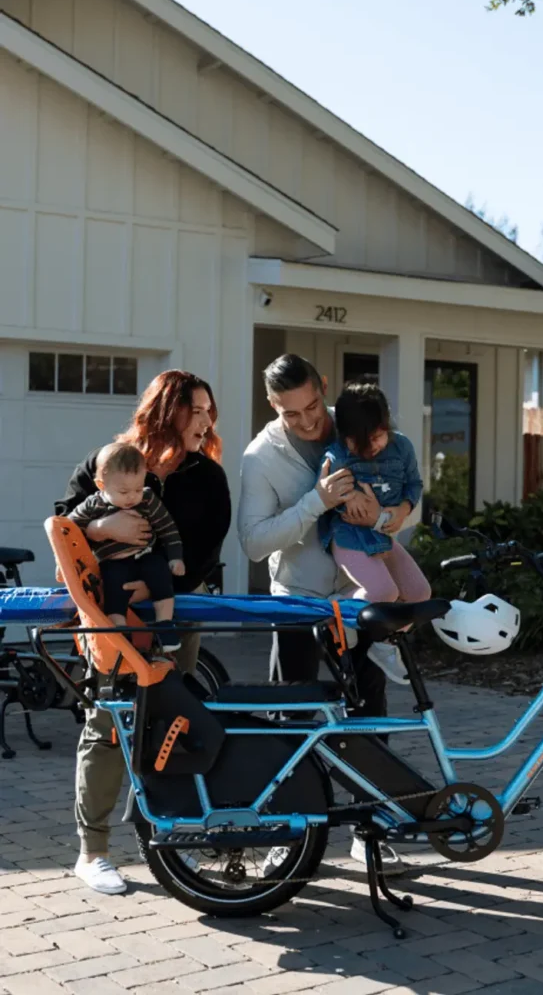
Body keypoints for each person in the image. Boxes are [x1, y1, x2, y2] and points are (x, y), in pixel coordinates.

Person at [55, 370, 231, 895]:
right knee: (108, 725)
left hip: (170, 618)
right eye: (194, 410)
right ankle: (93, 852)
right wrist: (100, 528)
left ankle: (167, 839)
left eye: (209, 411)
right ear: (164, 412)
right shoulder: (107, 461)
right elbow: (63, 523)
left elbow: (202, 552)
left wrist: (147, 592)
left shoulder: (206, 475)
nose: (205, 421)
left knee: (169, 727)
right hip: (107, 622)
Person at [237, 354, 409, 872]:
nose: (309, 421)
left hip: (358, 600)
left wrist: (395, 515)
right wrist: (315, 502)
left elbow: (403, 488)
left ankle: (370, 832)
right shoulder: (260, 456)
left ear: (324, 387)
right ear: (273, 406)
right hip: (298, 602)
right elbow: (251, 542)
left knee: (369, 716)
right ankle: (285, 837)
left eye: (313, 405)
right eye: (292, 414)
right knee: (290, 722)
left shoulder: (358, 421)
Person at [320, 378, 431, 684]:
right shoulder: (337, 456)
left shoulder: (402, 447)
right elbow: (330, 493)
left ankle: (382, 644)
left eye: (379, 436)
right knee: (385, 592)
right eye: (362, 441)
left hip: (381, 535)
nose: (373, 447)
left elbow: (413, 484)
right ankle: (335, 611)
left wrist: (402, 510)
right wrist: (348, 497)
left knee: (419, 593)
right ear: (346, 435)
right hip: (348, 538)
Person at [67, 442, 186, 653]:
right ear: (101, 485)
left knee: (160, 572)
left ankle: (164, 624)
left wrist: (175, 558)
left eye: (138, 488)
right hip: (113, 562)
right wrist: (95, 528)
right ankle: (119, 634)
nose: (132, 496)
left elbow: (168, 528)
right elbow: (68, 527)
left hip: (145, 556)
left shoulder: (148, 499)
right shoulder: (93, 505)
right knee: (114, 589)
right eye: (123, 491)